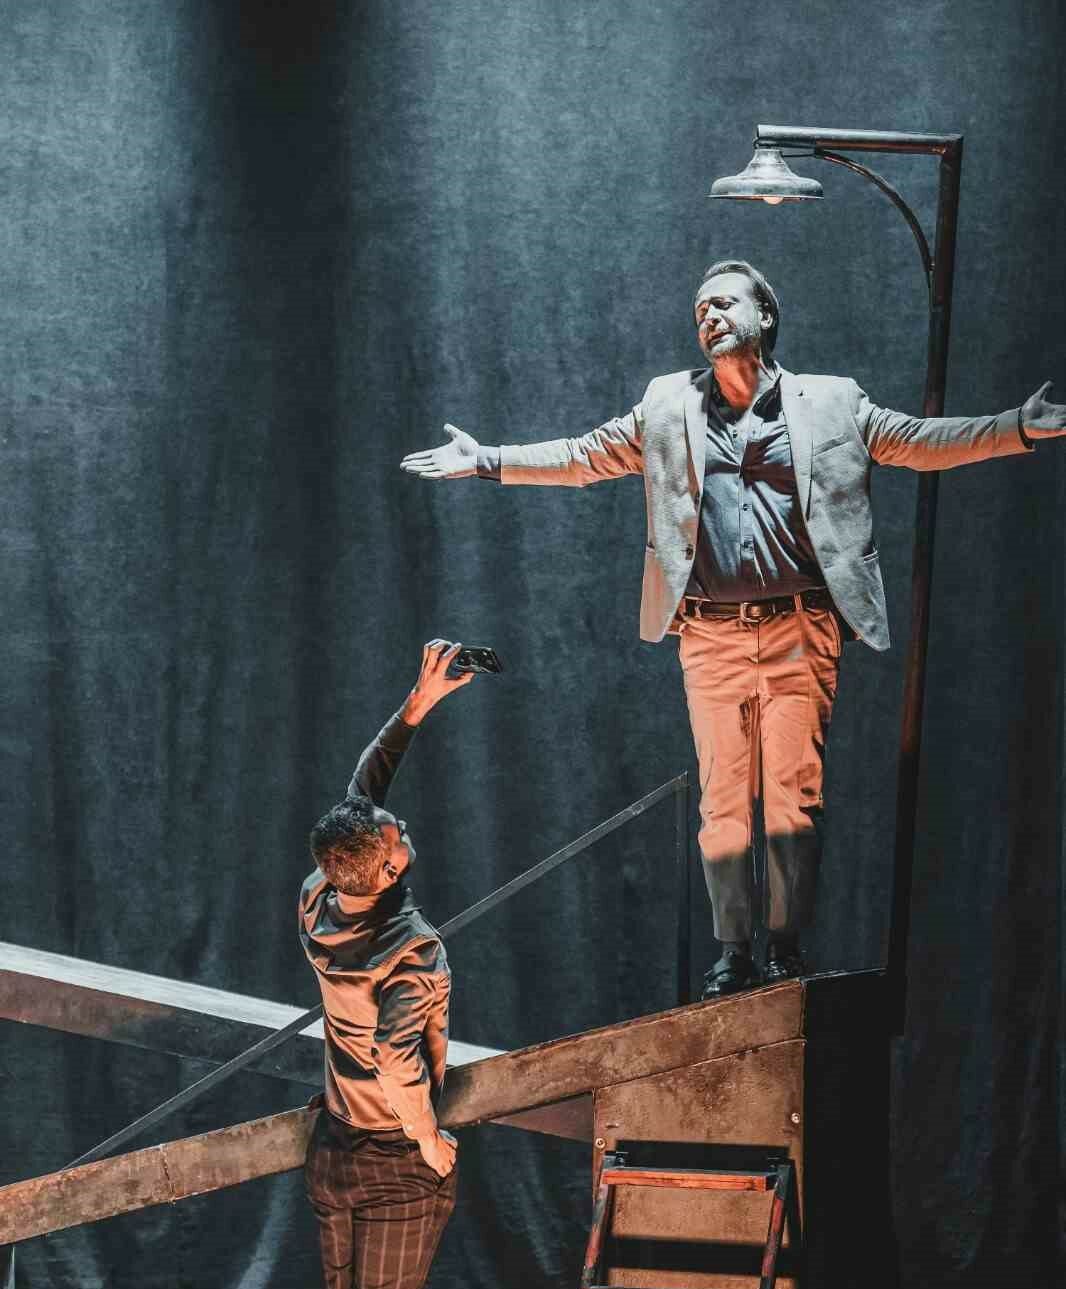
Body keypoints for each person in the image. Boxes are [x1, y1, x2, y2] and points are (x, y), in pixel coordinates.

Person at [400, 260, 1066, 996]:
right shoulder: (667, 403)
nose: (709, 316)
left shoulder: (832, 401)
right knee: (722, 802)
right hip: (710, 635)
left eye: (723, 303)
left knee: (792, 798)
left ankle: (785, 946)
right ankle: (733, 950)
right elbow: (584, 455)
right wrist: (488, 460)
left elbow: (915, 440)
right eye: (699, 310)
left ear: (765, 317)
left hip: (799, 631)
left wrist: (1014, 428)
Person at [300, 640, 474, 1289]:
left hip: (333, 1152)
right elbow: (399, 1061)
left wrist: (417, 704)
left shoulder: (320, 901)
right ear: (387, 866)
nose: (406, 835)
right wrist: (431, 1141)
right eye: (398, 837)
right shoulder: (411, 948)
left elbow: (358, 800)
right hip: (393, 1165)